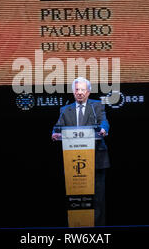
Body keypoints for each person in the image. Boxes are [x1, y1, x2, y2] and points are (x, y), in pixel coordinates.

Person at [52, 77, 110, 226]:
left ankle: (98, 229)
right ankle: (78, 227)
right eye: (77, 89)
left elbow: (104, 121)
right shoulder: (65, 110)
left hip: (96, 158)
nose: (79, 93)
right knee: (77, 197)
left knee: (97, 198)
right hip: (74, 162)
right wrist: (55, 133)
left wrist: (104, 129)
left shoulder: (96, 106)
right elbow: (58, 127)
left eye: (82, 90)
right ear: (73, 92)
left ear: (88, 92)